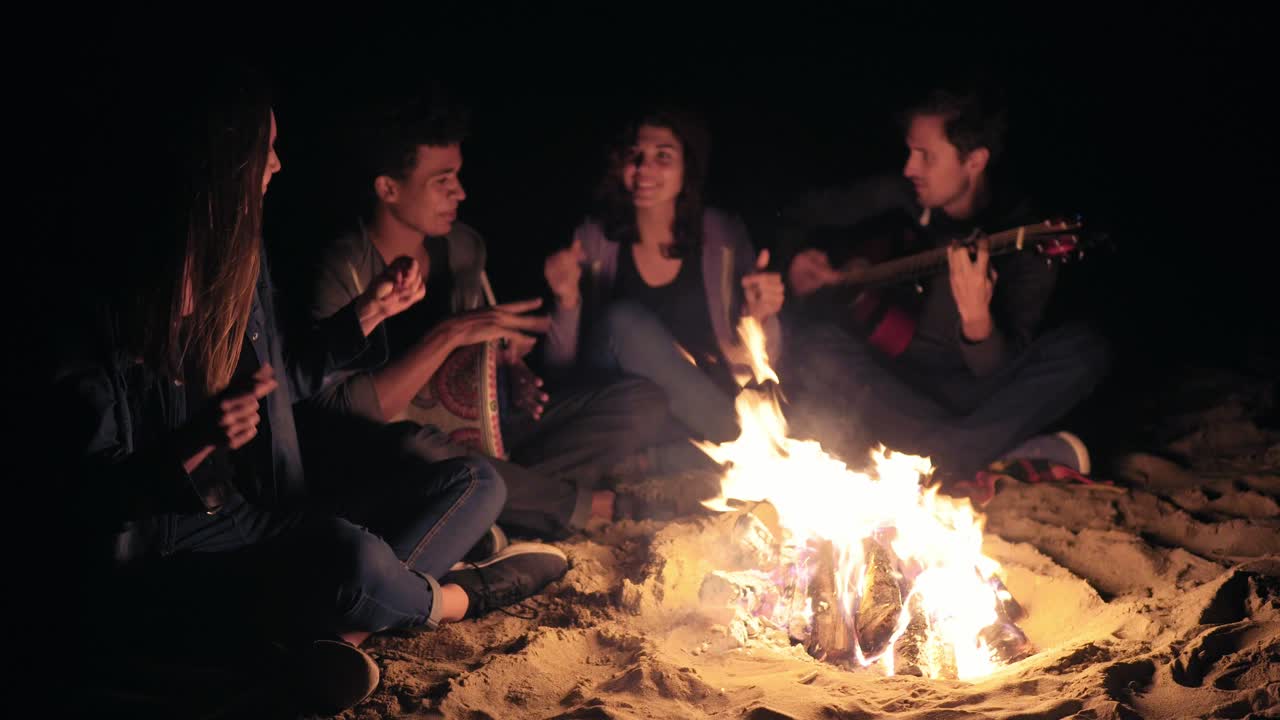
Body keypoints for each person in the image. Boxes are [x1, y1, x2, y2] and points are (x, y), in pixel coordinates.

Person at [51, 69, 566, 716]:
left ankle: (343, 634)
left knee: (472, 482)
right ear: (220, 160)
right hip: (171, 550)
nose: (278, 163)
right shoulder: (108, 301)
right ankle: (462, 596)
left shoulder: (239, 261)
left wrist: (369, 314)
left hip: (255, 514)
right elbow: (88, 500)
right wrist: (195, 442)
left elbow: (283, 385)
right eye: (264, 147)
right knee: (353, 556)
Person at [303, 96, 671, 536]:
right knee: (416, 447)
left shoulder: (462, 247)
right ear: (388, 189)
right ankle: (578, 506)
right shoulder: (340, 266)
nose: (460, 192)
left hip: (474, 443)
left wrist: (508, 370)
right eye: (442, 181)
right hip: (395, 453)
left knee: (641, 401)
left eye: (457, 176)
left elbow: (476, 361)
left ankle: (503, 501)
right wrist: (448, 334)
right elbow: (346, 415)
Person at [777, 82, 1110, 497]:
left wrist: (977, 322)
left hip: (973, 394)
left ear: (974, 161)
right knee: (812, 345)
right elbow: (799, 213)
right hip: (894, 384)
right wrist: (799, 262)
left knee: (1086, 349)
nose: (909, 168)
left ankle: (941, 453)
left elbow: (1001, 368)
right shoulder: (898, 198)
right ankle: (979, 454)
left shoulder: (1025, 238)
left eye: (926, 156)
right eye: (910, 152)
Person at [543, 107, 786, 477]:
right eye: (634, 156)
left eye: (663, 156)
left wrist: (762, 318)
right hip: (625, 406)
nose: (645, 169)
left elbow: (759, 364)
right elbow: (560, 370)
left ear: (687, 166)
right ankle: (742, 444)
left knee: (730, 422)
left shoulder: (722, 235)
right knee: (623, 321)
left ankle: (660, 463)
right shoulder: (593, 238)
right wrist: (566, 301)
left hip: (692, 414)